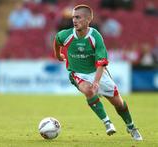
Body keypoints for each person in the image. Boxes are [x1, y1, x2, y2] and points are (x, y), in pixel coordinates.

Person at [53, 4, 143, 141]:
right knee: (88, 91)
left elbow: (101, 63)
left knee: (119, 103)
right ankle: (107, 122)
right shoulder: (66, 35)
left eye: (78, 17)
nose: (74, 20)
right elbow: (57, 40)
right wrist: (58, 55)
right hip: (77, 73)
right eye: (73, 17)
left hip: (98, 73)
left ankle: (131, 127)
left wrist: (96, 81)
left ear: (88, 19)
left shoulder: (95, 37)